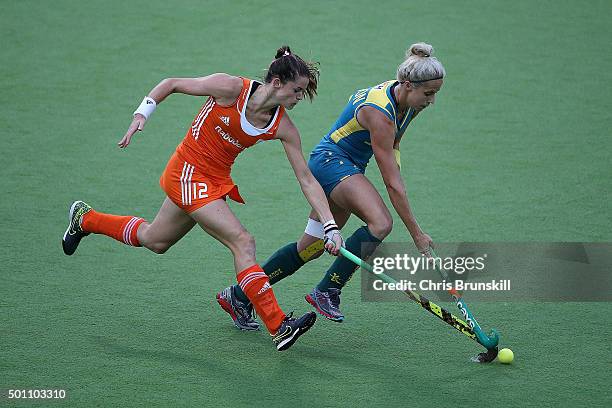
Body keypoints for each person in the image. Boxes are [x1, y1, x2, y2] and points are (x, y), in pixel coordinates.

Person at [61, 46, 344, 351]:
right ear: (277, 83)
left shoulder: (282, 126)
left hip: (214, 181)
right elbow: (172, 83)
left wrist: (330, 225)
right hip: (186, 171)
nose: (299, 98)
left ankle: (84, 219)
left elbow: (306, 178)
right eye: (297, 90)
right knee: (243, 242)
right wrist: (142, 113)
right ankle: (278, 326)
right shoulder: (230, 88)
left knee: (156, 240)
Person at [217, 42, 445, 325]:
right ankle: (328, 289)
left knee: (309, 248)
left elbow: (394, 145)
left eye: (435, 94)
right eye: (428, 94)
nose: (431, 101)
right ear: (408, 85)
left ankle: (239, 296)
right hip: (331, 163)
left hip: (346, 166)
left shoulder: (408, 101)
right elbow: (392, 184)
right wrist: (417, 235)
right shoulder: (381, 112)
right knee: (381, 223)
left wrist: (396, 172)